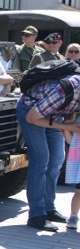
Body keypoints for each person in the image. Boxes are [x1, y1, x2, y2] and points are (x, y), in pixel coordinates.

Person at [16, 68, 80, 231]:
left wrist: (69, 121)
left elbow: (73, 109)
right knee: (41, 159)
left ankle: (48, 208)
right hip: (31, 112)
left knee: (57, 159)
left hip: (54, 114)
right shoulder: (63, 90)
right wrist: (67, 126)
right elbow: (33, 117)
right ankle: (37, 215)